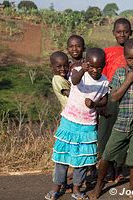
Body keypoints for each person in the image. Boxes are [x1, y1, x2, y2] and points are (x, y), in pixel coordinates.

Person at [88, 39, 133, 199]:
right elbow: (113, 97)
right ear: (125, 57)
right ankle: (99, 185)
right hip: (122, 122)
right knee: (107, 154)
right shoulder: (120, 73)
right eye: (130, 58)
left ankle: (132, 188)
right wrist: (128, 81)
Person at [45, 48, 109, 200]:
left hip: (87, 126)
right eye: (91, 67)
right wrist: (82, 70)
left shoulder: (104, 81)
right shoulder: (79, 72)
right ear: (86, 64)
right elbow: (74, 81)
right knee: (62, 158)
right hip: (69, 122)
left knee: (82, 160)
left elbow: (105, 99)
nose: (94, 70)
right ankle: (56, 188)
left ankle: (77, 189)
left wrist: (94, 104)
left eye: (98, 67)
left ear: (103, 65)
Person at [98, 18, 132, 183]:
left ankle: (119, 168)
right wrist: (102, 100)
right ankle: (109, 168)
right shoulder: (108, 52)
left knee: (124, 133)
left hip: (129, 98)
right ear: (113, 33)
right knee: (106, 133)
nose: (122, 34)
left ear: (131, 33)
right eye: (119, 31)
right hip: (111, 97)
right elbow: (102, 78)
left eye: (125, 31)